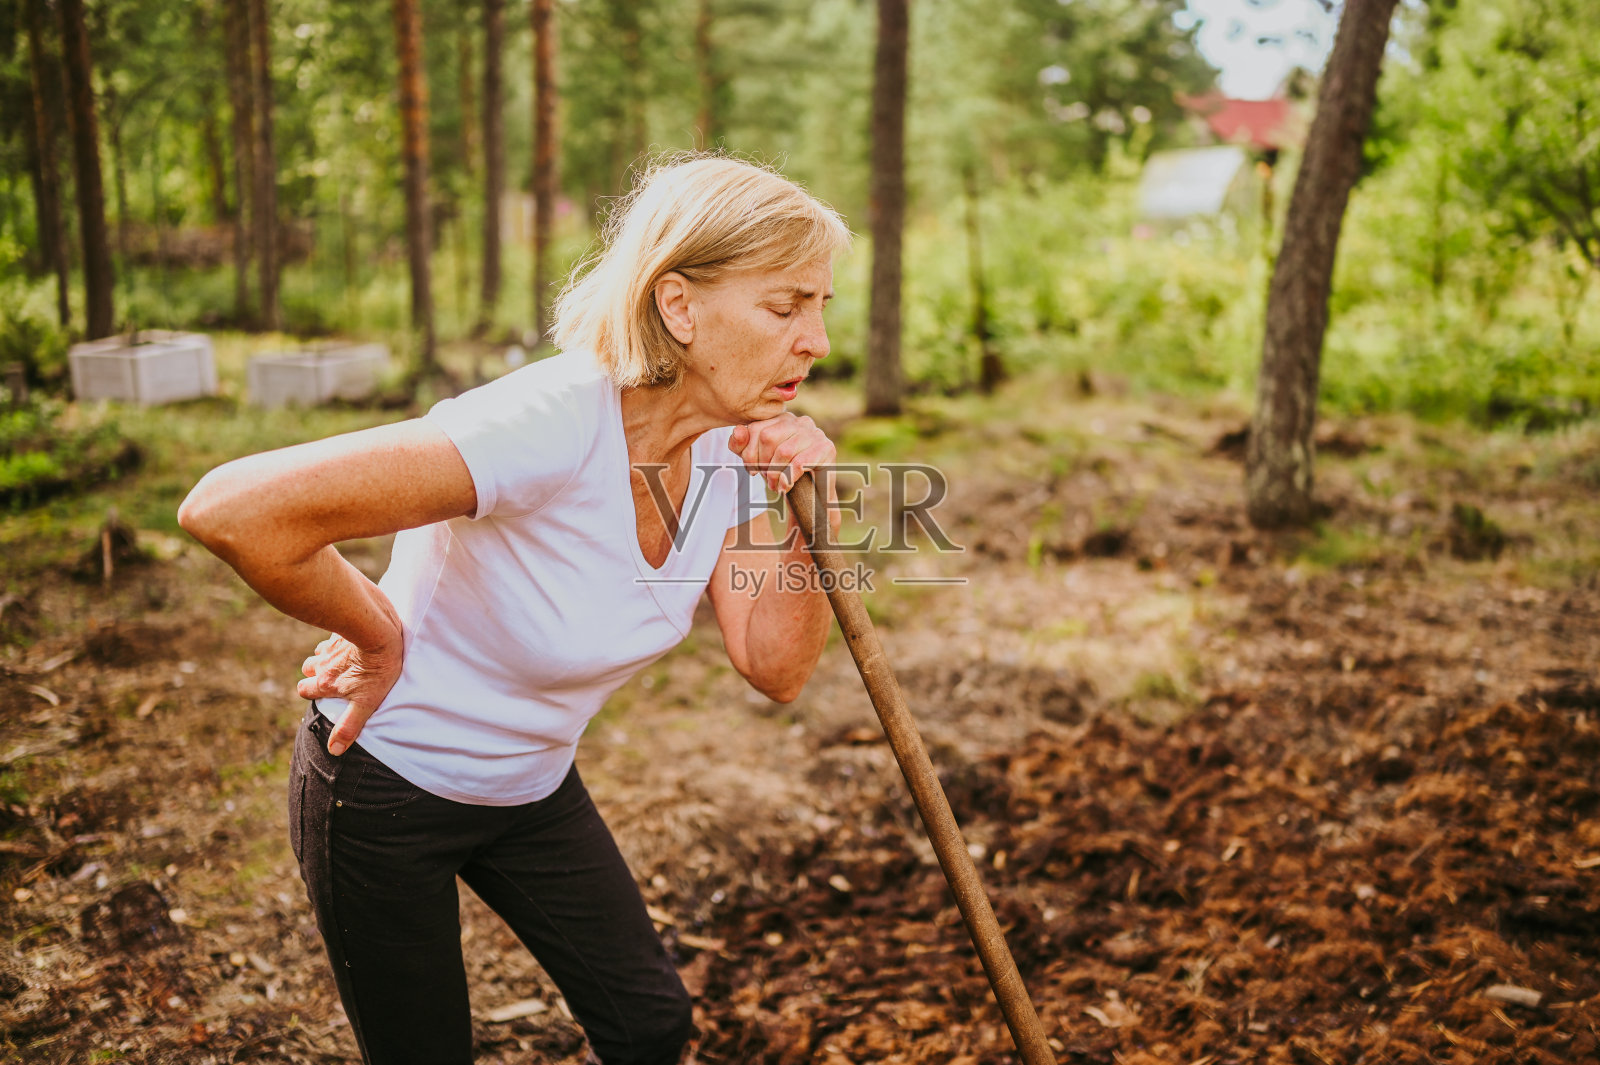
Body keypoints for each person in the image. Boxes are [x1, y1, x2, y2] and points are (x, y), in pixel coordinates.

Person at [178, 155, 852, 1065]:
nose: (814, 339)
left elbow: (776, 666)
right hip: (384, 787)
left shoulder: (732, 451)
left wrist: (809, 509)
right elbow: (233, 510)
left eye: (822, 309)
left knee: (649, 1025)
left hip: (530, 789)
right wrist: (378, 629)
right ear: (680, 306)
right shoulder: (552, 420)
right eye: (786, 306)